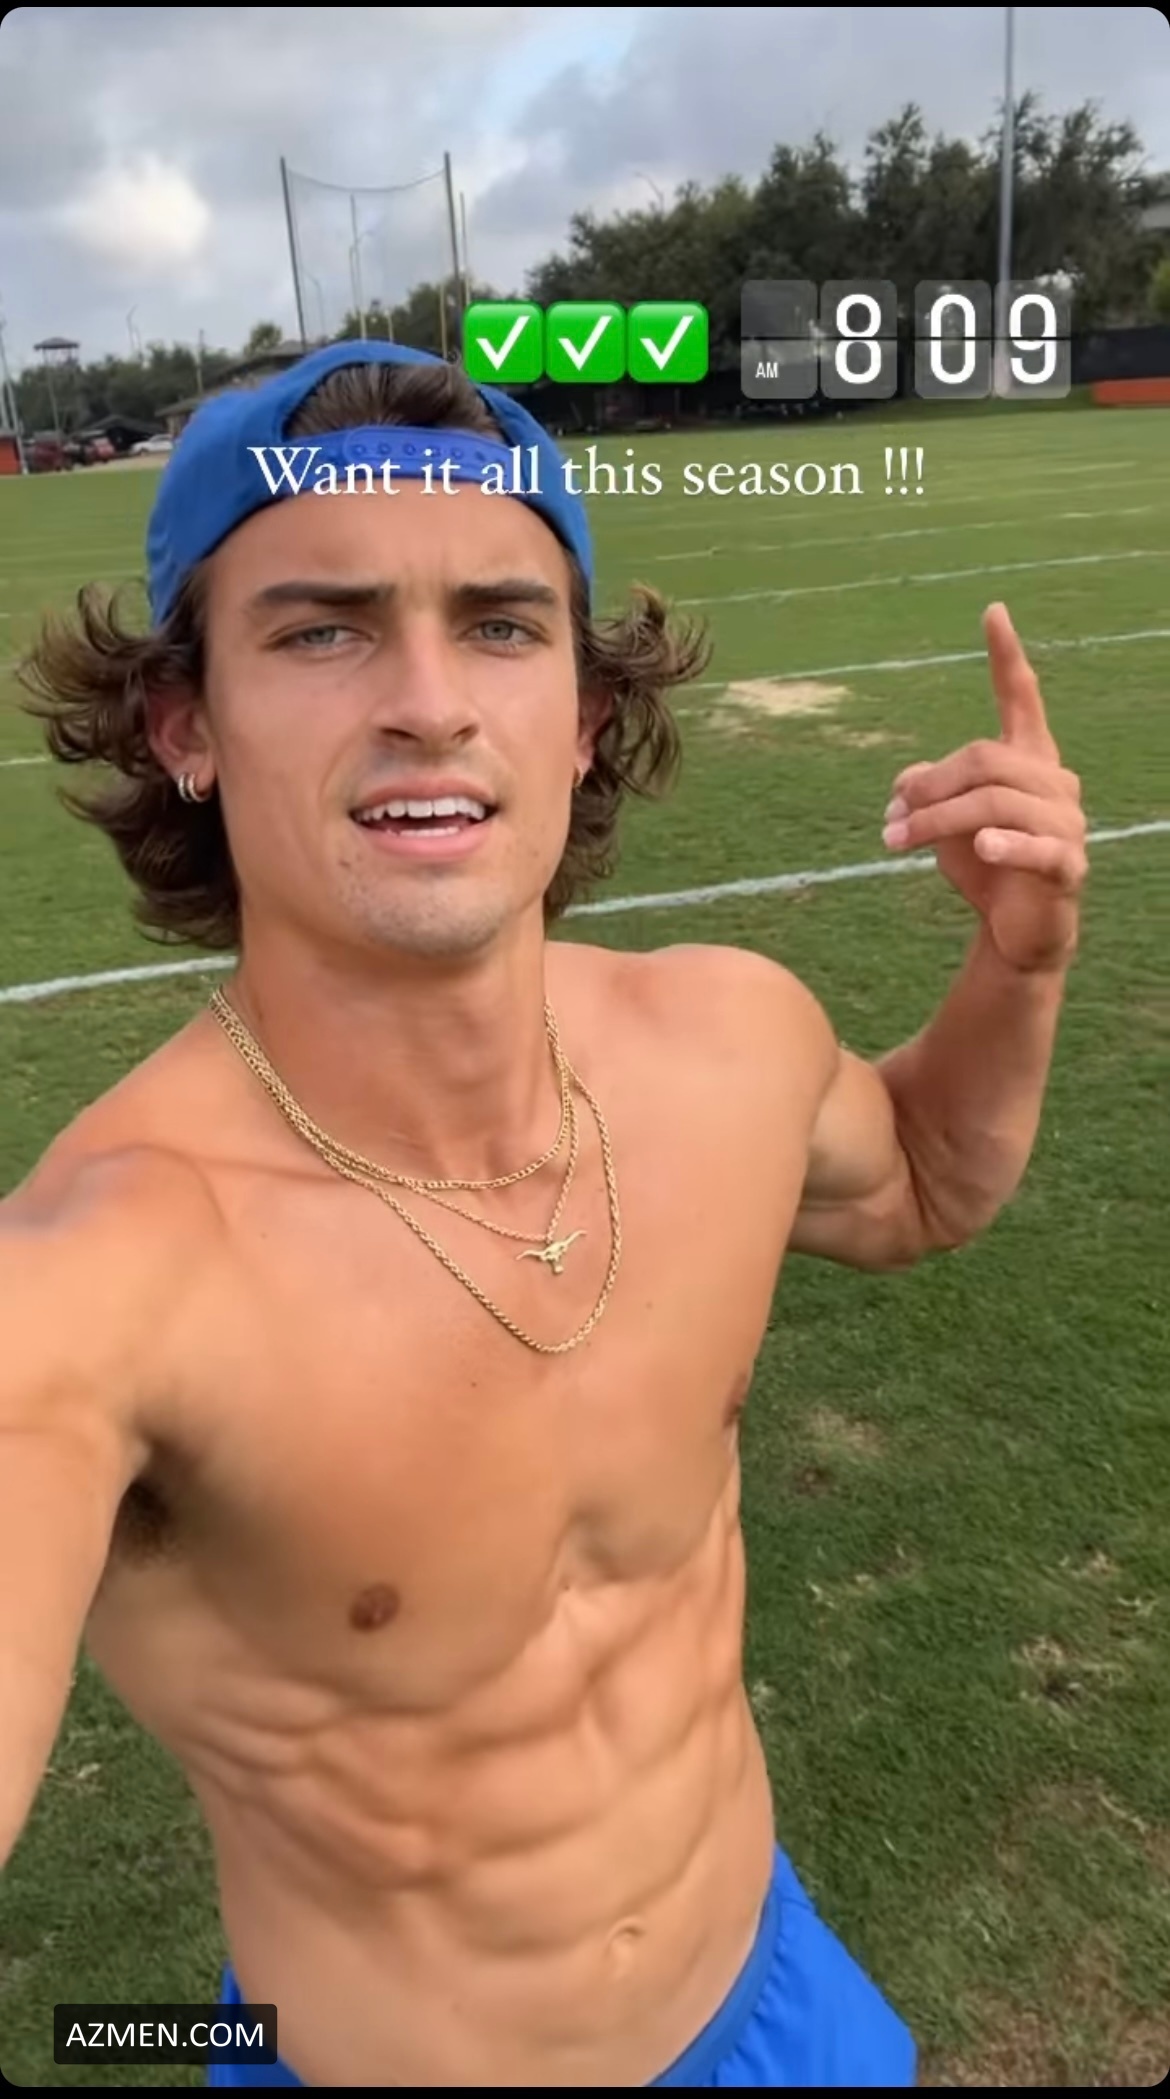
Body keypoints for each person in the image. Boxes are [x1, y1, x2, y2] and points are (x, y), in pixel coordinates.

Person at [3, 340, 1086, 2088]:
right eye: (323, 631)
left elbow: (921, 1180)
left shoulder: (727, 1041)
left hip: (779, 2007)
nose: (430, 702)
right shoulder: (94, 1281)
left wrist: (1016, 970)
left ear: (582, 718)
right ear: (185, 725)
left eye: (502, 627)